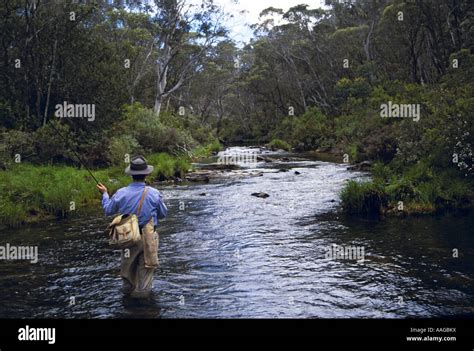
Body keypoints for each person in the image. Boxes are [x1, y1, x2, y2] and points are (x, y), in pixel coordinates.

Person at [96, 155, 167, 298]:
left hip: (127, 238)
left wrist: (104, 194)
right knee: (145, 278)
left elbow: (108, 210)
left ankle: (129, 306)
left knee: (127, 277)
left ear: (131, 175)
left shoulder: (121, 193)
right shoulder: (154, 193)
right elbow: (163, 214)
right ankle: (144, 308)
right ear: (146, 174)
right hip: (148, 238)